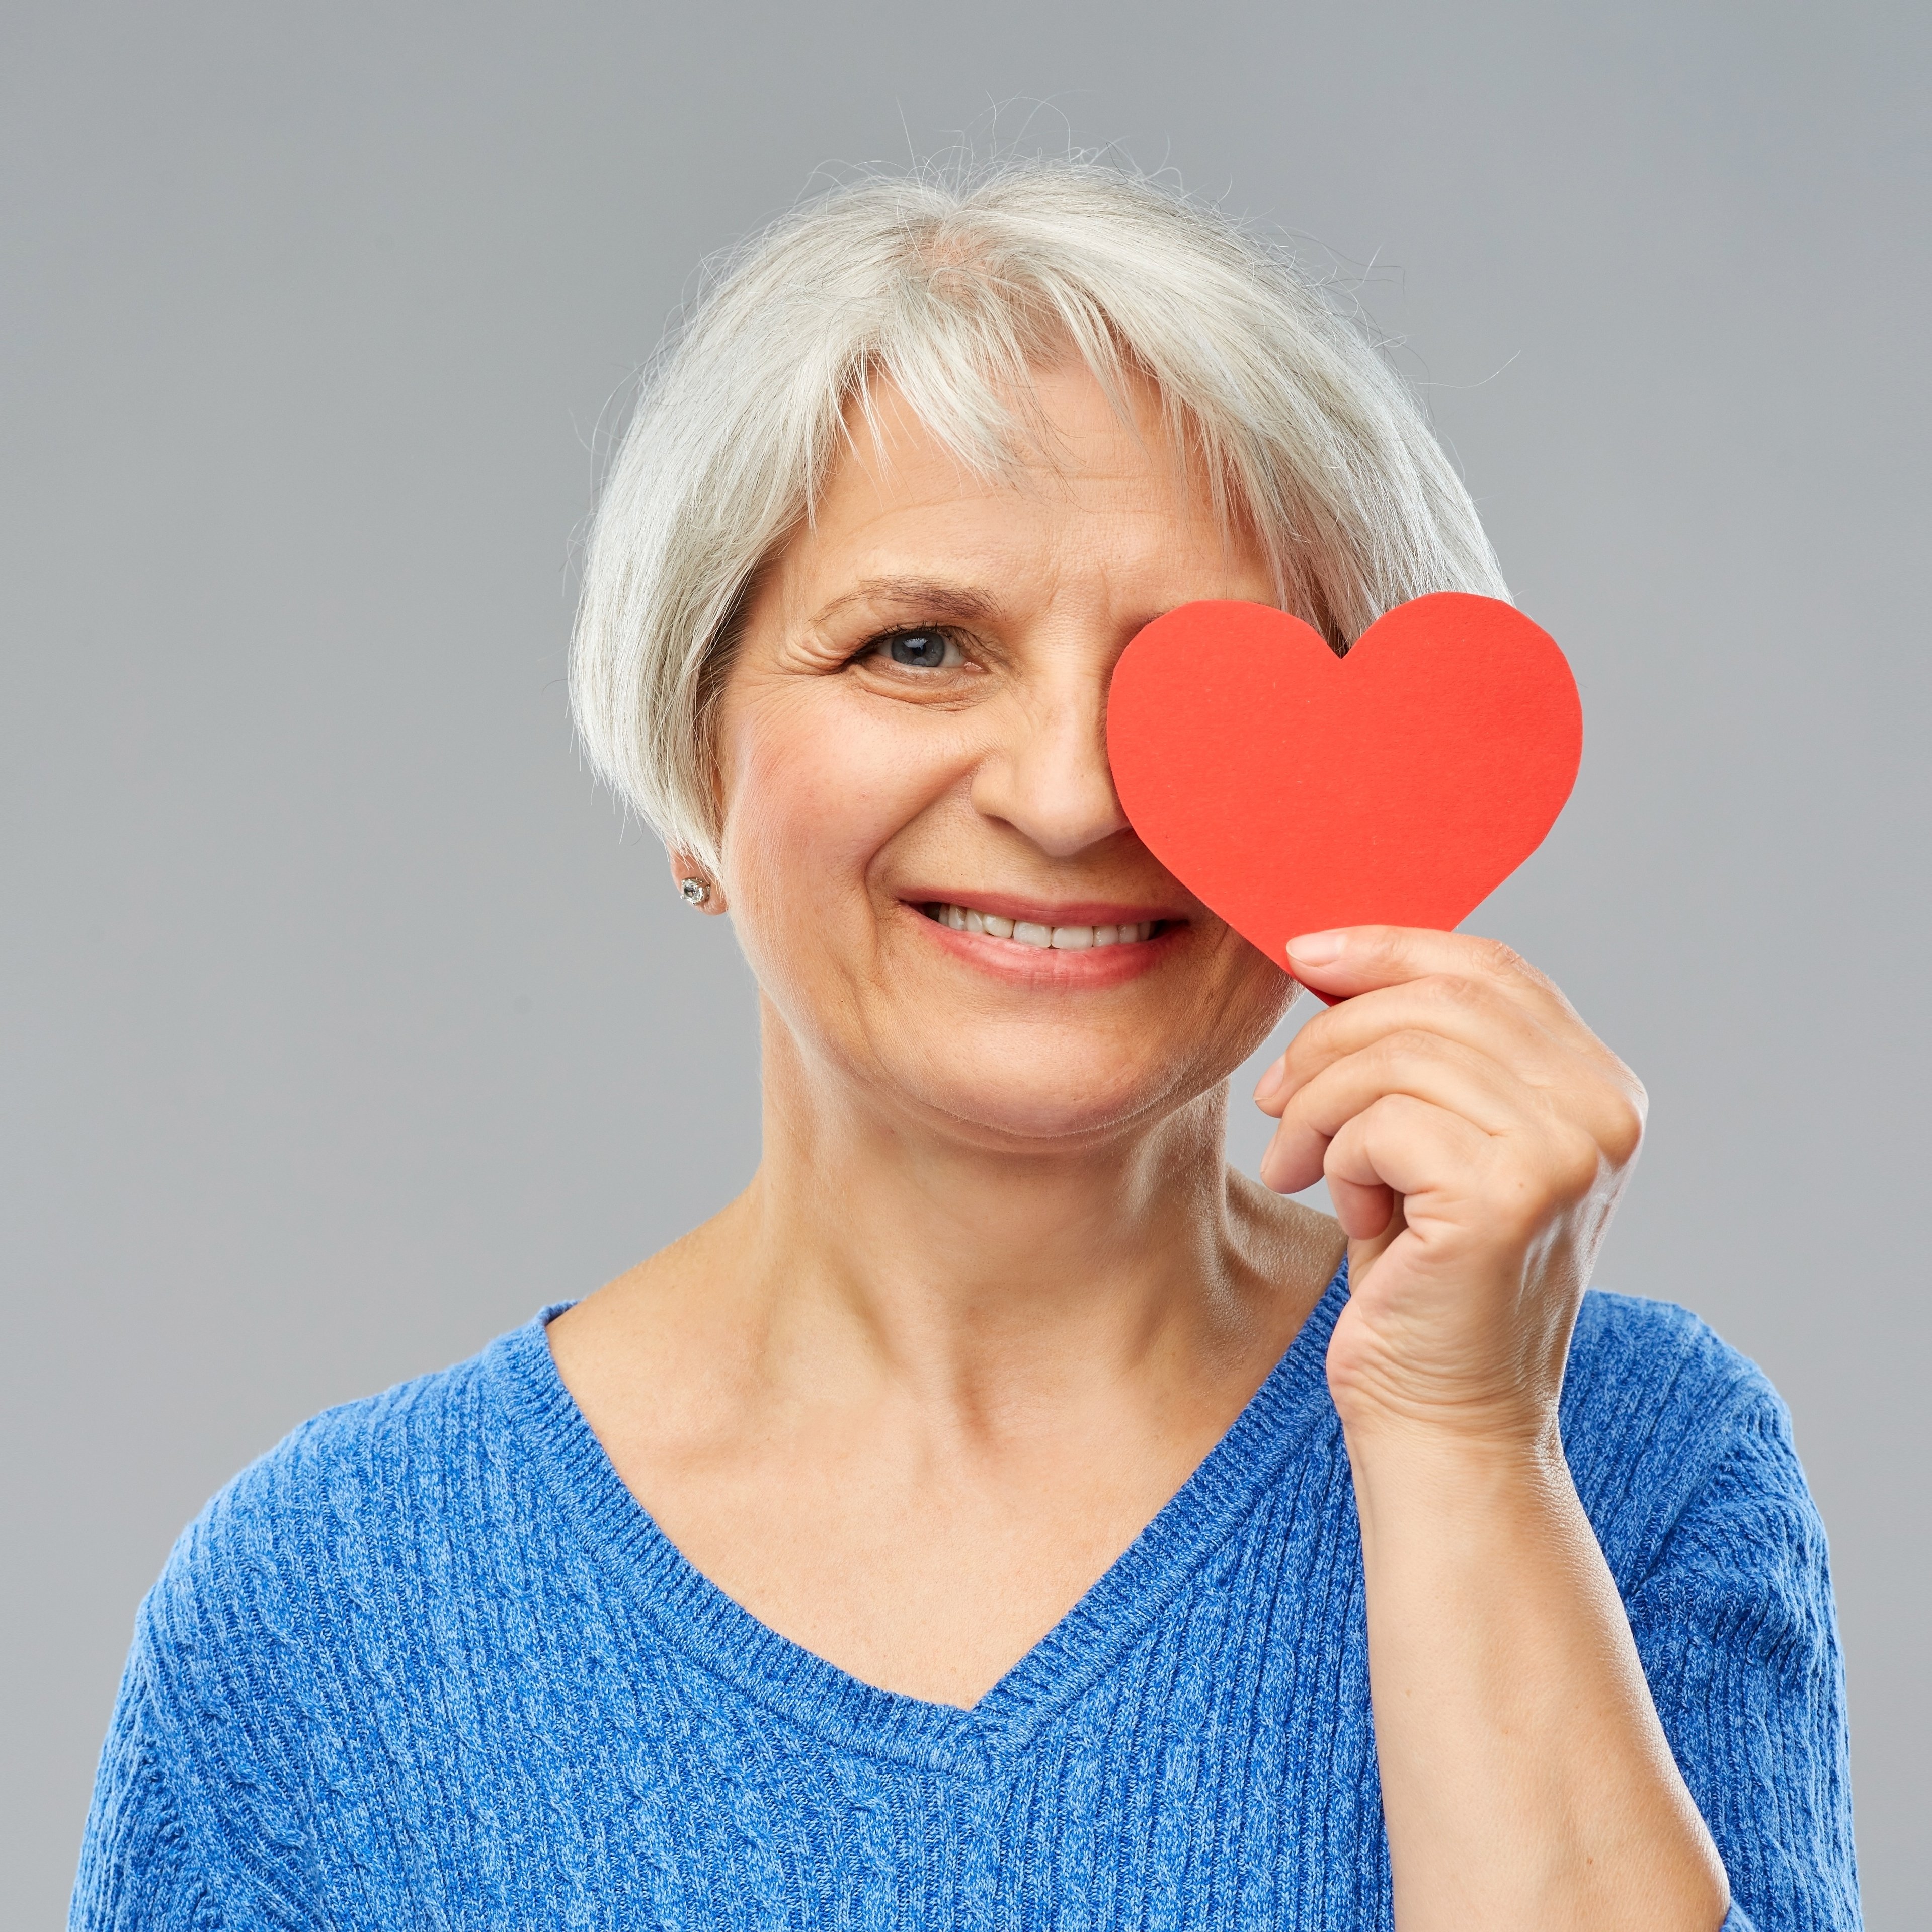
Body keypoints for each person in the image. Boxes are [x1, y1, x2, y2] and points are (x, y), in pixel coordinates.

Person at [71, 160, 1858, 1931]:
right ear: (694, 761)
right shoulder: (322, 1607)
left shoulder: (1632, 1462)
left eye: (1191, 670)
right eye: (920, 648)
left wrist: (1466, 1450)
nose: (1071, 794)